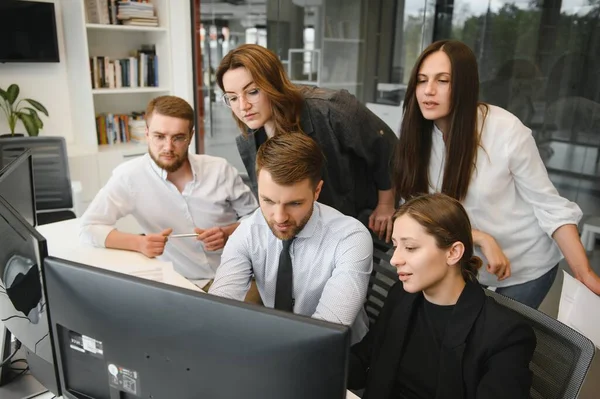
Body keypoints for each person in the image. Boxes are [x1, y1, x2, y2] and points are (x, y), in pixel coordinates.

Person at [392, 39, 599, 309]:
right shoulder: (415, 133)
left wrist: (584, 273)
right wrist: (480, 238)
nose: (428, 91)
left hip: (524, 267)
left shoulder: (506, 130)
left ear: (465, 86)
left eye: (443, 81)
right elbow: (421, 211)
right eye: (422, 80)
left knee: (496, 344)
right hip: (463, 265)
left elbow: (551, 208)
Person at [348, 193, 536, 398]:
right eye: (396, 245)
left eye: (410, 247)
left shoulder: (505, 335)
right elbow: (363, 360)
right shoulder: (401, 296)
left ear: (453, 253)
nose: (394, 259)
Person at [216, 44, 398, 242]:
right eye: (232, 98)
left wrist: (386, 204)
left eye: (252, 92)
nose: (243, 106)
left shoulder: (331, 109)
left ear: (273, 84)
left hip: (355, 225)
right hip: (305, 235)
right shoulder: (249, 140)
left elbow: (386, 148)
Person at [209, 133, 372, 343]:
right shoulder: (248, 231)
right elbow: (218, 306)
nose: (279, 218)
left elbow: (329, 329)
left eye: (294, 204)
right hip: (278, 346)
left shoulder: (350, 238)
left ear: (317, 191)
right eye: (268, 200)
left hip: (340, 354)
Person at [80, 96, 258, 286]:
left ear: (190, 136)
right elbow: (88, 227)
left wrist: (228, 232)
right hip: (183, 283)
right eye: (159, 136)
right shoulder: (129, 177)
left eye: (178, 137)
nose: (168, 147)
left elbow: (258, 218)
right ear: (147, 134)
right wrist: (139, 243)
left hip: (240, 274)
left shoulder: (219, 169)